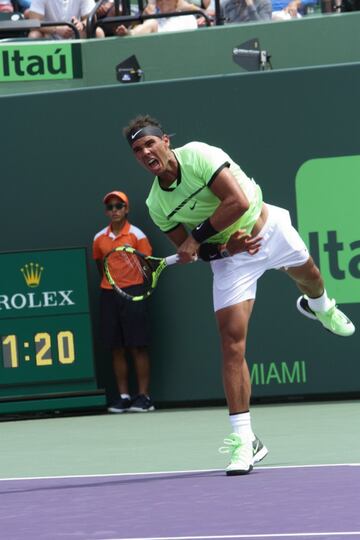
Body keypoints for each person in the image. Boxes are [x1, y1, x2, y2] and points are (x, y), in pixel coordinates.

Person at [122, 114, 355, 475]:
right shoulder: (157, 205)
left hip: (269, 229)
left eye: (150, 143)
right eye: (138, 150)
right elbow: (199, 255)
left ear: (166, 141)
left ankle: (321, 307)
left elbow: (238, 201)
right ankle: (245, 441)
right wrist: (225, 249)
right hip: (233, 260)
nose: (146, 152)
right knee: (231, 343)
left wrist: (195, 239)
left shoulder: (198, 154)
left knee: (311, 278)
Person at [93, 190, 155, 413]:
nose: (115, 210)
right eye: (110, 207)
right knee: (116, 348)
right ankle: (124, 396)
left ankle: (144, 397)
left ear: (126, 209)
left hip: (134, 292)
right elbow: (101, 265)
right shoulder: (99, 238)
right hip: (109, 293)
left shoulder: (137, 235)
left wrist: (137, 287)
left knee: (138, 345)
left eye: (119, 206)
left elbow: (147, 264)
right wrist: (113, 284)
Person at [115, 0, 197, 37]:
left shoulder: (188, 17)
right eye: (159, 0)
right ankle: (130, 34)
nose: (163, 2)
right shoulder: (153, 16)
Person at [27, 0, 104, 39]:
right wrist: (56, 29)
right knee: (34, 35)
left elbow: (91, 19)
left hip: (76, 34)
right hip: (49, 36)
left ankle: (100, 66)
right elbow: (33, 22)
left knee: (98, 32)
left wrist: (81, 25)